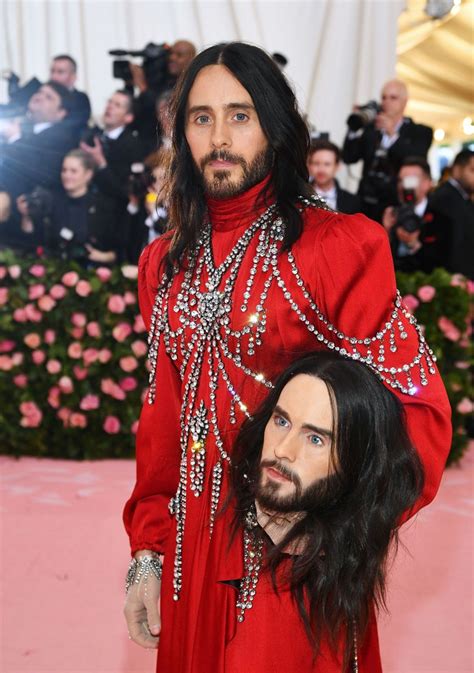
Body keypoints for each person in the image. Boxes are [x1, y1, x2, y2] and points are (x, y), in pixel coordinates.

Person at [123, 43, 451, 673]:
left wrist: (333, 529)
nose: (219, 137)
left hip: (293, 571)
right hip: (192, 561)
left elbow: (419, 412)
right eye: (200, 117)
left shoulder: (337, 248)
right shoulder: (162, 265)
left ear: (274, 127)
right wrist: (149, 552)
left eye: (240, 115)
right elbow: (163, 422)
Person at [222, 350, 424, 670]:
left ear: (354, 465)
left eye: (315, 439)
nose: (282, 449)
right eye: (281, 420)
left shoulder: (333, 569)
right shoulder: (215, 528)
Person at [342, 79, 433, 222]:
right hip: (365, 202)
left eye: (393, 97)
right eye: (383, 97)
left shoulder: (420, 132)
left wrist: (392, 134)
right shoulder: (371, 129)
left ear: (405, 101)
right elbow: (349, 157)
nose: (386, 102)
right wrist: (354, 128)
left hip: (397, 203)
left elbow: (417, 159)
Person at [17, 149, 120, 265]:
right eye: (64, 170)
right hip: (53, 269)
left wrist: (102, 257)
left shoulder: (103, 205)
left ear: (88, 174)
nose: (67, 175)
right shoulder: (51, 200)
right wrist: (26, 216)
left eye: (73, 171)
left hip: (89, 273)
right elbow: (31, 239)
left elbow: (118, 250)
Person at [0, 82, 76, 199]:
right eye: (39, 92)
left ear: (61, 112)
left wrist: (15, 138)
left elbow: (42, 174)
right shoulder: (22, 126)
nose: (39, 97)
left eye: (48, 97)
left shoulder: (62, 138)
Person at [382, 157, 451, 273]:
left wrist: (415, 245)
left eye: (410, 180)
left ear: (428, 183)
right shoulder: (388, 214)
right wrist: (385, 233)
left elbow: (443, 264)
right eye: (400, 181)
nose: (404, 186)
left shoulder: (442, 218)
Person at [131, 40, 197, 154]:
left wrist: (142, 87)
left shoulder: (193, 85)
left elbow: (159, 110)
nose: (172, 58)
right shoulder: (162, 80)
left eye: (179, 55)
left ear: (192, 59)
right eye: (170, 53)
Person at [80, 89, 145, 203]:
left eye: (117, 105)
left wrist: (101, 163)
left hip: (114, 210)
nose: (109, 107)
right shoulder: (92, 136)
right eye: (109, 102)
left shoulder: (133, 145)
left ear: (128, 117)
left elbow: (124, 190)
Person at [429, 149, 474, 279]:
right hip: (454, 279)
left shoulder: (462, 197)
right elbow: (456, 246)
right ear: (457, 169)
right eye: (472, 170)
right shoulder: (446, 197)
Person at [307, 140, 360, 214]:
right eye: (316, 163)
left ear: (337, 166)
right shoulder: (299, 198)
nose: (321, 170)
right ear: (309, 166)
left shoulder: (352, 201)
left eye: (327, 164)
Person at [49, 54, 91, 139]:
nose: (54, 77)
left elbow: (72, 126)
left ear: (73, 77)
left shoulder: (80, 99)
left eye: (60, 72)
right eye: (52, 71)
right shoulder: (42, 96)